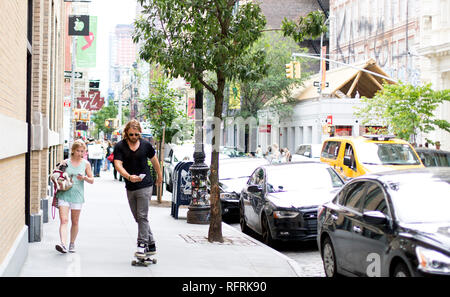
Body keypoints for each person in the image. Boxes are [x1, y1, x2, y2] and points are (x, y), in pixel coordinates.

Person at [113, 120, 163, 257]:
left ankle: (142, 245)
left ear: (139, 133)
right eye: (131, 134)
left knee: (142, 215)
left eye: (136, 134)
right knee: (139, 217)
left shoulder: (146, 145)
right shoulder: (120, 146)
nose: (134, 137)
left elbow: (155, 161)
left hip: (145, 184)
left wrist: (159, 175)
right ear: (126, 133)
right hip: (130, 185)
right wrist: (128, 176)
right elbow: (118, 164)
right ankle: (151, 243)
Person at [55, 139, 94, 253]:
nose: (80, 153)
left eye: (82, 151)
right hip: (64, 194)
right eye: (78, 151)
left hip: (77, 196)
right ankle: (63, 244)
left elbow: (92, 180)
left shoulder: (86, 164)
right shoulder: (65, 162)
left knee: (75, 221)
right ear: (73, 150)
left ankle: (72, 243)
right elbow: (57, 175)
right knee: (64, 220)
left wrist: (84, 178)